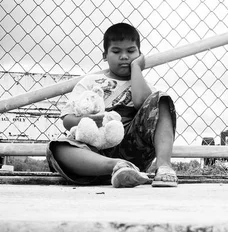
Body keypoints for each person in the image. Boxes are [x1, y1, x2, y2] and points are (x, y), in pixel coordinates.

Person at [46, 22, 178, 188]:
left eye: (131, 51)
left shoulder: (142, 84)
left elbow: (143, 104)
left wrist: (136, 68)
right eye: (116, 51)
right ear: (105, 55)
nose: (124, 56)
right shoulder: (90, 82)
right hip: (93, 151)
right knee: (56, 148)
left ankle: (164, 167)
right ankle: (118, 166)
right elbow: (67, 119)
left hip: (132, 148)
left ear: (139, 54)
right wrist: (93, 120)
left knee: (161, 99)